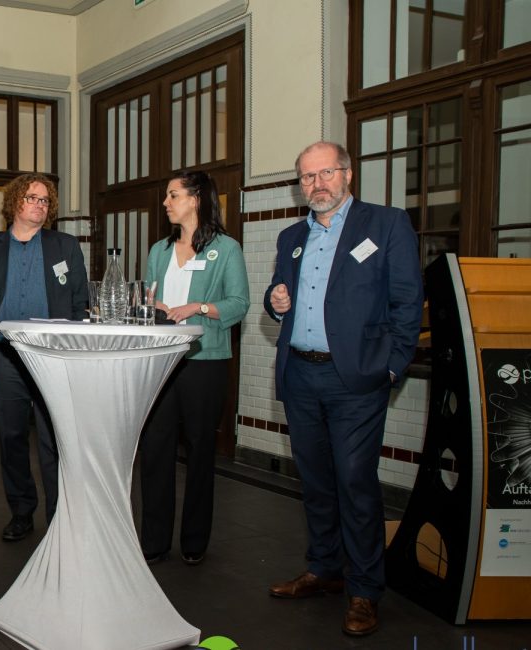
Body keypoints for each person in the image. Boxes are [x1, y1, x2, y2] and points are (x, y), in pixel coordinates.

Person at [264, 141, 422, 637]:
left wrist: (392, 367)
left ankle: (364, 590)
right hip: (301, 375)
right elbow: (278, 301)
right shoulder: (291, 235)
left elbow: (407, 303)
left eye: (325, 173)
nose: (317, 184)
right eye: (307, 177)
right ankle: (325, 569)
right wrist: (276, 301)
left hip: (356, 380)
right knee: (315, 483)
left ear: (347, 174)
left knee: (355, 482)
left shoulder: (385, 224)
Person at [0, 173, 88, 542]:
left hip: (52, 355)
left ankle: (58, 517)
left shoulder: (65, 246)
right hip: (5, 357)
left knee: (53, 440)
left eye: (45, 200)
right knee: (12, 438)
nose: (39, 205)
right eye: (32, 198)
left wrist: (74, 350)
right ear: (15, 202)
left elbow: (79, 302)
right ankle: (21, 511)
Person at [138, 171, 249, 567]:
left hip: (205, 363)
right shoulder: (159, 251)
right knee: (155, 450)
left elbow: (239, 304)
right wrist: (154, 308)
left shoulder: (226, 249)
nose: (166, 203)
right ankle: (153, 540)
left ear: (196, 198)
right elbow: (147, 297)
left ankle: (194, 541)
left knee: (201, 450)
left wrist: (199, 308)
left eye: (173, 195)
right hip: (162, 362)